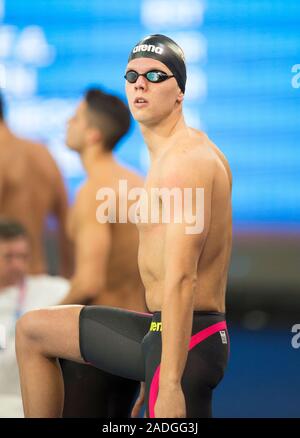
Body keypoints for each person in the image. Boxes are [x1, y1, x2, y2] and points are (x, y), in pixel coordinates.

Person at [15, 34, 232, 418]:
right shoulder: (165, 159)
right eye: (132, 75)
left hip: (189, 340)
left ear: (180, 92)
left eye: (154, 75)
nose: (140, 84)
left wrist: (167, 384)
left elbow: (182, 278)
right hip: (159, 331)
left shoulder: (186, 162)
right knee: (33, 330)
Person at [58, 88, 147, 417]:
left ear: (93, 134)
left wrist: (39, 315)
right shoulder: (139, 185)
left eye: (76, 116)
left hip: (98, 340)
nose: (68, 121)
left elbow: (89, 282)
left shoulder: (93, 192)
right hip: (139, 335)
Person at [0, 220, 69, 417]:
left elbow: (85, 292)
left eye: (23, 257)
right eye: (9, 257)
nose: (18, 265)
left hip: (25, 406)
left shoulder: (49, 289)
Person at [0, 93, 71, 276]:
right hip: (38, 276)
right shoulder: (41, 153)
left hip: (5, 282)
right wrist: (68, 278)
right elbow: (67, 223)